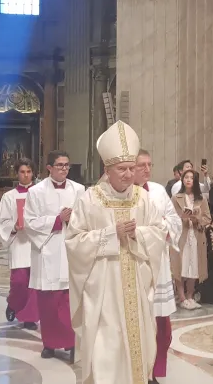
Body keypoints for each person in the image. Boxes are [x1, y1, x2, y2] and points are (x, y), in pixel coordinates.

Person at [65, 121, 168, 384]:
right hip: (103, 289)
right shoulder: (90, 199)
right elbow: (73, 241)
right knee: (105, 346)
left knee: (138, 341)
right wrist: (112, 234)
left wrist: (138, 234)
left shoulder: (143, 199)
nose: (128, 174)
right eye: (122, 169)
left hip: (136, 281)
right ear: (106, 170)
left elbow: (158, 231)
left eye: (132, 168)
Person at [25, 150, 86, 361]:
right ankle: (49, 344)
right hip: (47, 251)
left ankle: (71, 343)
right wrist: (57, 220)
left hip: (70, 249)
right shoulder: (35, 192)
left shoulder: (79, 189)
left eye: (67, 165)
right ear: (49, 167)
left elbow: (87, 218)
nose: (64, 169)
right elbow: (30, 222)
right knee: (48, 302)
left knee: (70, 301)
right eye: (59, 165)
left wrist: (72, 219)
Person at [134, 149, 182, 382]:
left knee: (160, 322)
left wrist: (163, 229)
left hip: (159, 264)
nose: (147, 169)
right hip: (135, 264)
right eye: (141, 165)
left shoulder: (158, 191)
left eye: (149, 164)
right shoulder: (123, 194)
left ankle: (154, 371)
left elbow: (174, 220)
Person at [0, 159, 39, 330]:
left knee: (34, 283)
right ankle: (13, 303)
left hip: (37, 243)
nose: (26, 175)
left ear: (33, 173)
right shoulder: (9, 196)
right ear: (17, 174)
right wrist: (13, 227)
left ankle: (29, 317)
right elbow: (2, 220)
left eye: (29, 172)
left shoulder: (40, 194)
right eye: (22, 172)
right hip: (19, 243)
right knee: (20, 282)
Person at [170, 170, 212, 310]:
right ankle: (181, 298)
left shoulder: (201, 199)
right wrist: (182, 217)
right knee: (180, 266)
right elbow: (170, 217)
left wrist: (197, 218)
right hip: (181, 236)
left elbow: (207, 218)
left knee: (194, 266)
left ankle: (190, 296)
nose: (188, 180)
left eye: (191, 178)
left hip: (196, 235)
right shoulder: (176, 198)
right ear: (182, 180)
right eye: (186, 177)